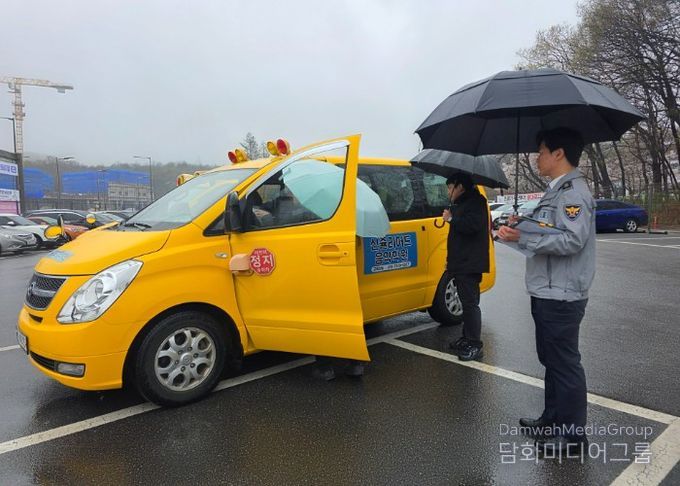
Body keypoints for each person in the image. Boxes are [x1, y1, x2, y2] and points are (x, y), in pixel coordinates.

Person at [497, 127, 596, 454]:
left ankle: (572, 437)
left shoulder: (572, 193)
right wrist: (522, 225)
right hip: (548, 289)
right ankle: (553, 420)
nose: (536, 157)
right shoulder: (556, 191)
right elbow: (550, 230)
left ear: (558, 153)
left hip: (562, 292)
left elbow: (572, 240)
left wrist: (523, 237)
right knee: (551, 360)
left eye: (540, 151)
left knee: (564, 364)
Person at [442, 172, 490, 361]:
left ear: (459, 186)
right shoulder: (461, 203)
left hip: (470, 262)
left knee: (470, 304)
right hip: (460, 261)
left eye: (450, 188)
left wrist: (451, 219)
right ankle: (466, 337)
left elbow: (472, 226)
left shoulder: (476, 202)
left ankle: (475, 344)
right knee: (465, 302)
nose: (448, 192)